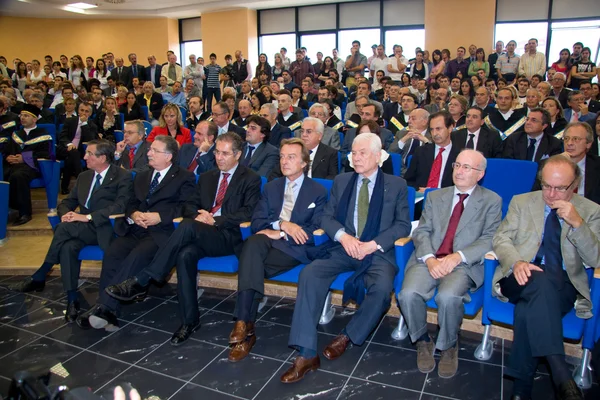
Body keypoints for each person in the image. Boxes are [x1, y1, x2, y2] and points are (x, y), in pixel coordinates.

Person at [105, 132, 262, 346]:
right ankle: (189, 321)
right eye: (217, 152)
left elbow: (249, 212)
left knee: (187, 227)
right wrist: (200, 215)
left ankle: (144, 279)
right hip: (200, 232)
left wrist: (216, 219)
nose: (219, 157)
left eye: (225, 154)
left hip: (228, 236)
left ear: (238, 155)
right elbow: (189, 205)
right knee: (185, 254)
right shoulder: (207, 177)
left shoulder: (250, 178)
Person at [280, 132, 411, 383]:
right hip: (344, 247)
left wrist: (372, 245)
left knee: (381, 290)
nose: (356, 158)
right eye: (353, 153)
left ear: (377, 156)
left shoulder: (397, 185)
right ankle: (306, 352)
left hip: (377, 251)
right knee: (310, 273)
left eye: (362, 153)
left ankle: (349, 335)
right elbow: (325, 217)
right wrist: (343, 237)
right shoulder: (342, 181)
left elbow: (402, 225)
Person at [493, 155, 600, 400]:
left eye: (560, 188)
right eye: (545, 185)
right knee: (537, 282)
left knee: (528, 310)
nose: (551, 194)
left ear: (574, 185)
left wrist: (577, 224)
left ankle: (521, 388)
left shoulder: (590, 211)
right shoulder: (522, 202)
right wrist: (517, 261)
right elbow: (501, 238)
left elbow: (596, 259)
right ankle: (561, 373)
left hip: (562, 284)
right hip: (518, 276)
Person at [399, 149, 502, 378]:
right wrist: (430, 258)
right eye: (457, 165)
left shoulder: (491, 200)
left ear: (480, 174)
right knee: (407, 293)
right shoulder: (436, 196)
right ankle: (422, 340)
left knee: (447, 296)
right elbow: (422, 231)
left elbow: (490, 238)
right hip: (429, 258)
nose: (459, 171)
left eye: (467, 167)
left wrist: (458, 256)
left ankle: (448, 345)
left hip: (463, 263)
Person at [77, 135, 196, 331]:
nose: (148, 153)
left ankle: (104, 307)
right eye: (150, 150)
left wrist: (160, 216)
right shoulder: (141, 175)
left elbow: (187, 207)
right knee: (113, 252)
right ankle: (108, 310)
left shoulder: (185, 177)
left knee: (138, 255)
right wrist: (134, 213)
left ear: (168, 156)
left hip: (161, 232)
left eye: (154, 151)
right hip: (135, 227)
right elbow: (130, 202)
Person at [8, 140, 132, 323]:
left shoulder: (122, 176)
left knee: (64, 230)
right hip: (80, 229)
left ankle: (41, 274)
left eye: (89, 154)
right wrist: (67, 214)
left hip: (104, 228)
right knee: (68, 246)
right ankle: (72, 299)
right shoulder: (84, 177)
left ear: (103, 157)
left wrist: (87, 217)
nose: (84, 157)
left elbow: (119, 206)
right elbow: (67, 202)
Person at [229, 138, 328, 361]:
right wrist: (282, 225)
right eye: (282, 156)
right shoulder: (272, 186)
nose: (284, 161)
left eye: (291, 157)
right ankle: (244, 324)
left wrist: (283, 233)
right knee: (254, 242)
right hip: (268, 239)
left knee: (250, 262)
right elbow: (258, 221)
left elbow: (315, 228)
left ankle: (245, 328)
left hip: (295, 248)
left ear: (304, 163)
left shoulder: (318, 191)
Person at [2, 104, 53, 226]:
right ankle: (7, 209)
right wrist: (8, 157)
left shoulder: (43, 134)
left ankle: (24, 212)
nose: (22, 118)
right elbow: (7, 151)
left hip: (32, 167)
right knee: (6, 174)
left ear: (34, 119)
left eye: (26, 116)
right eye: (21, 115)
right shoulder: (16, 134)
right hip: (13, 166)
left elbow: (46, 154)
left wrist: (24, 158)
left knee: (18, 176)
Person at [405, 111, 460, 191]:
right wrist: (418, 189)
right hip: (422, 197)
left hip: (446, 199)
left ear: (450, 128)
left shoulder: (460, 155)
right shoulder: (421, 152)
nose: (434, 134)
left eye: (438, 129)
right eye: (431, 129)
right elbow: (408, 181)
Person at [57, 102, 98, 194]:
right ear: (78, 111)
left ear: (90, 114)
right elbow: (62, 137)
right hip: (64, 148)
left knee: (71, 158)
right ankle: (81, 181)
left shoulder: (92, 126)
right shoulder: (70, 121)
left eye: (87, 111)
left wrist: (84, 124)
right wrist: (69, 144)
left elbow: (90, 140)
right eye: (82, 110)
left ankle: (65, 187)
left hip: (80, 151)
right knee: (73, 153)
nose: (84, 113)